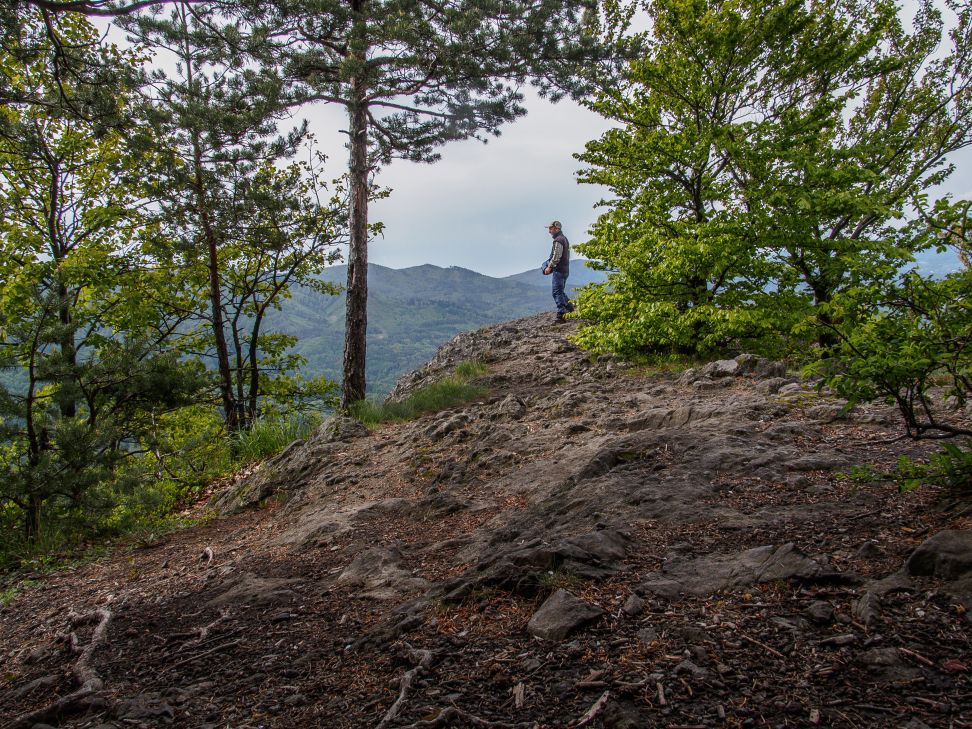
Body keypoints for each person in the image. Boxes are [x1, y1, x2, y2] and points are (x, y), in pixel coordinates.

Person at [543, 220, 573, 322]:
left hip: (559, 270)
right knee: (560, 291)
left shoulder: (558, 240)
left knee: (556, 292)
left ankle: (561, 314)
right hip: (565, 269)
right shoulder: (564, 239)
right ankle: (570, 308)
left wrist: (549, 267)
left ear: (557, 228)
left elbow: (557, 255)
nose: (549, 231)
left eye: (551, 229)